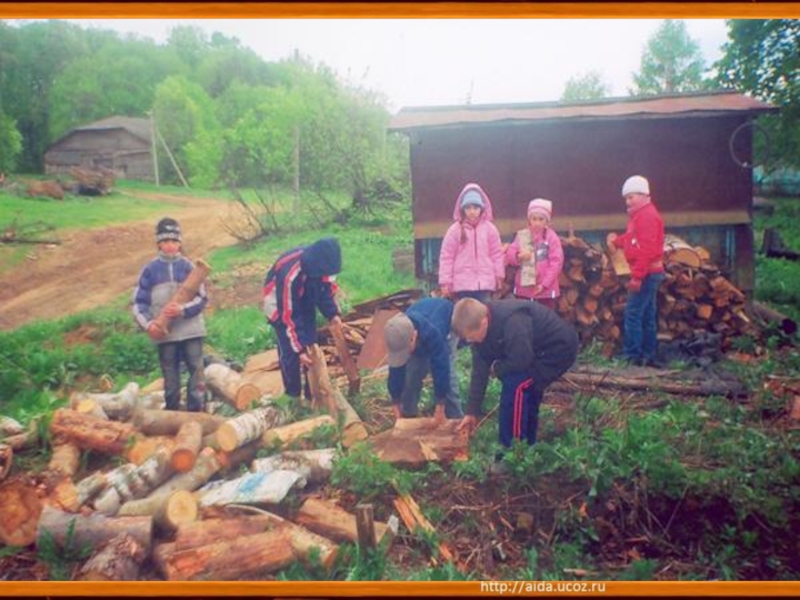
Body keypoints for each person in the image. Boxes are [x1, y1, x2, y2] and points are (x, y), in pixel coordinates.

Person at [451, 298, 578, 472]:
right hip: (532, 352)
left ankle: (511, 452)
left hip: (557, 350)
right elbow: (479, 372)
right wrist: (471, 411)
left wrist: (497, 368)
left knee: (516, 386)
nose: (471, 341)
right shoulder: (479, 336)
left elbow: (521, 360)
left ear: (484, 322)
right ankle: (527, 446)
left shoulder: (513, 320)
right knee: (526, 388)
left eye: (472, 336)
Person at [133, 217, 209, 412]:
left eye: (174, 241)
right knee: (170, 375)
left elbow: (202, 298)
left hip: (191, 330)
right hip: (165, 334)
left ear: (180, 243)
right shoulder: (150, 270)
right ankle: (172, 412)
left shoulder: (189, 268)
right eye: (165, 241)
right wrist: (149, 324)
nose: (170, 245)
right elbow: (139, 303)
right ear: (158, 243)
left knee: (197, 370)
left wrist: (182, 310)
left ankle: (197, 411)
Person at [262, 237, 343, 399]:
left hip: (304, 299)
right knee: (290, 352)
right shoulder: (289, 274)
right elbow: (288, 315)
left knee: (311, 344)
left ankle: (311, 393)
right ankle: (292, 395)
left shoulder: (322, 265)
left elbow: (324, 290)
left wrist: (332, 314)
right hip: (279, 307)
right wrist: (299, 349)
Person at [606, 175, 665, 367]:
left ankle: (632, 355)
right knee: (647, 314)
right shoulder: (640, 215)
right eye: (626, 198)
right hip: (650, 272)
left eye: (631, 197)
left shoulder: (646, 217)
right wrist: (617, 241)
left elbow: (647, 250)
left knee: (632, 313)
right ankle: (648, 353)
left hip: (647, 273)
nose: (628, 201)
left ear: (643, 195)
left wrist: (638, 277)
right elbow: (632, 239)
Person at [383, 297, 464, 422]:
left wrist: (440, 405)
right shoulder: (398, 332)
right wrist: (396, 402)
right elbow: (395, 370)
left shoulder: (435, 332)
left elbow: (441, 367)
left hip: (445, 327)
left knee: (449, 380)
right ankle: (408, 416)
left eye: (405, 350)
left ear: (413, 337)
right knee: (411, 376)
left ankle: (456, 419)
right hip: (421, 330)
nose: (404, 354)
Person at [438, 182, 505, 303]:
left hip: (484, 285)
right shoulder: (455, 230)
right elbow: (447, 257)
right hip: (462, 285)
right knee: (464, 312)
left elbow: (496, 254)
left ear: (482, 209)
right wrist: (445, 282)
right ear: (462, 209)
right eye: (468, 208)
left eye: (475, 208)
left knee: (485, 311)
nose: (472, 211)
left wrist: (499, 276)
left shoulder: (490, 229)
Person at [504, 198, 564, 310]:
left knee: (545, 317)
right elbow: (510, 254)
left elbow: (556, 263)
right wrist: (518, 257)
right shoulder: (523, 235)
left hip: (546, 291)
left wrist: (544, 284)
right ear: (529, 220)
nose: (537, 223)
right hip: (524, 289)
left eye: (541, 219)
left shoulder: (551, 237)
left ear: (547, 221)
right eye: (534, 219)